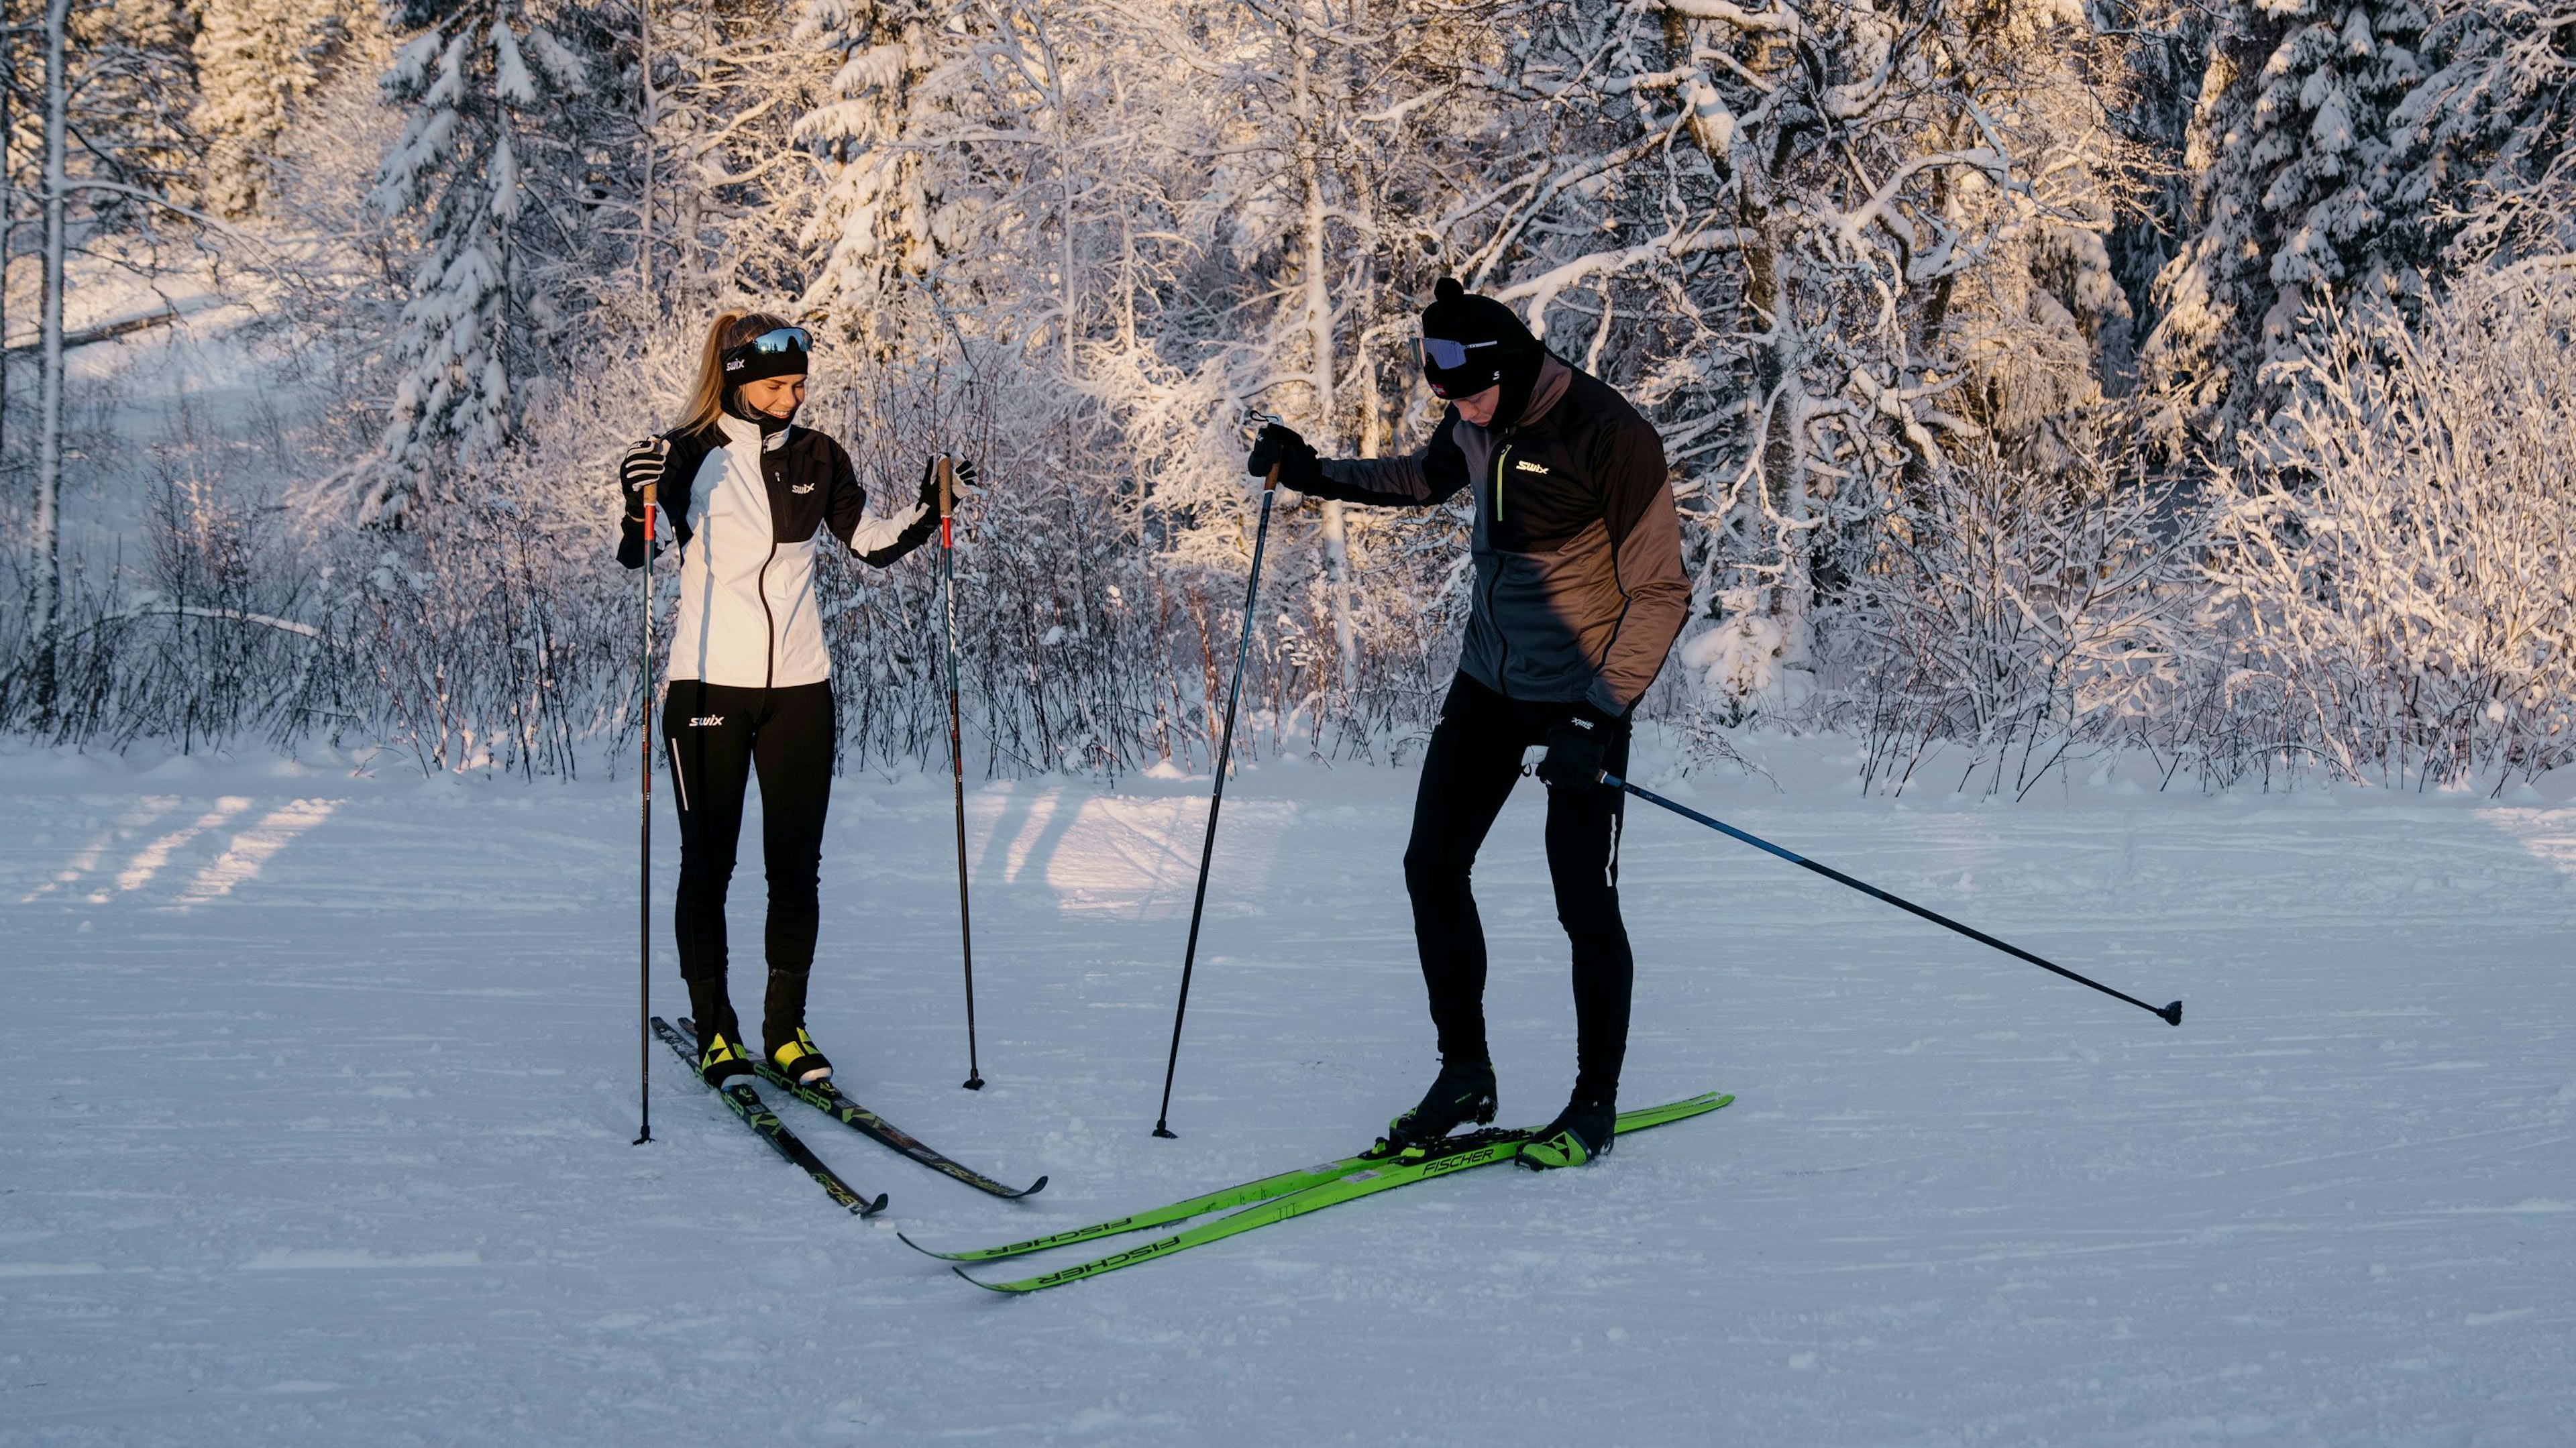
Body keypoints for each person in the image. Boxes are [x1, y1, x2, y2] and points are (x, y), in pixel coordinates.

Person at [1246, 278, 1688, 1168]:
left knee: (1583, 899)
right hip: (1489, 678)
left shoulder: (1610, 435)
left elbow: (1662, 592)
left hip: (1581, 697)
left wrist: (1597, 719)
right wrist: (1313, 472)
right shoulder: (1477, 416)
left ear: (1512, 369)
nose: (1460, 413)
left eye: (1470, 395)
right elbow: (1421, 477)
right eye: (1447, 400)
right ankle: (1466, 1072)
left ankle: (1593, 1104)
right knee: (1431, 864)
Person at [615, 311, 956, 1090]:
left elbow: (868, 542)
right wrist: (633, 496)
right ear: (739, 380)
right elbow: (637, 554)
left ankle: (786, 1029)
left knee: (795, 868)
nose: (793, 398)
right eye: (778, 386)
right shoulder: (687, 456)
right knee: (709, 865)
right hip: (708, 687)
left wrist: (932, 506)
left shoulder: (819, 455)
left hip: (801, 688)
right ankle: (715, 1030)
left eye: (800, 384)